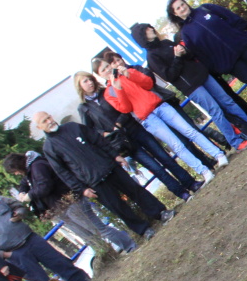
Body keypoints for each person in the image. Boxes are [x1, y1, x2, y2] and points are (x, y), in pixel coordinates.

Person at [33, 112, 172, 239]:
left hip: (109, 166)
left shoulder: (73, 127)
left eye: (49, 117)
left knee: (136, 190)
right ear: (40, 127)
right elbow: (63, 172)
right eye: (44, 121)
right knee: (118, 207)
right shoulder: (49, 148)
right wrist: (82, 189)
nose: (49, 121)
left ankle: (160, 213)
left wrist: (115, 155)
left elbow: (98, 140)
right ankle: (143, 229)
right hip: (93, 182)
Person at [94, 54, 229, 182]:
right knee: (176, 145)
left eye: (107, 66)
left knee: (189, 131)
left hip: (160, 106)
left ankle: (218, 154)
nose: (107, 70)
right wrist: (118, 90)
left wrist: (130, 75)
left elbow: (148, 83)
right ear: (99, 75)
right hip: (146, 118)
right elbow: (125, 109)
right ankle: (203, 171)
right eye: (103, 70)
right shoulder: (108, 93)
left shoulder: (127, 72)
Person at [73, 71, 201, 201]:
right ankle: (181, 192)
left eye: (90, 79)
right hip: (122, 142)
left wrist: (119, 124)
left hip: (135, 129)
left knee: (164, 157)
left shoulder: (107, 92)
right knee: (155, 167)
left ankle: (190, 183)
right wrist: (104, 133)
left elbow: (125, 106)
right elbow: (90, 130)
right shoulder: (84, 108)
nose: (90, 83)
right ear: (79, 86)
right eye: (85, 81)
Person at [130, 22, 247, 148]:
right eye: (146, 29)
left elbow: (190, 55)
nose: (151, 29)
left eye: (149, 27)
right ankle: (235, 141)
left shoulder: (166, 42)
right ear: (142, 36)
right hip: (191, 87)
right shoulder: (152, 57)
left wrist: (184, 51)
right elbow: (169, 76)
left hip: (202, 74)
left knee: (227, 101)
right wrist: (177, 58)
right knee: (215, 111)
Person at [165, 0, 247, 110]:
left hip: (242, 46)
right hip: (228, 62)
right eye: (178, 8)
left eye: (182, 4)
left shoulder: (205, 9)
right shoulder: (186, 33)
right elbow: (200, 54)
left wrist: (242, 33)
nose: (182, 8)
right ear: (175, 13)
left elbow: (229, 16)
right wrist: (218, 67)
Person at [2, 151, 137, 254]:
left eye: (15, 171)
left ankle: (129, 245)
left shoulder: (38, 166)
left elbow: (44, 186)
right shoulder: (32, 169)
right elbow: (25, 182)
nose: (16, 174)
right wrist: (22, 191)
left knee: (99, 229)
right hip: (63, 205)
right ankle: (119, 248)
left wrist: (29, 196)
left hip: (71, 203)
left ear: (18, 166)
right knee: (91, 233)